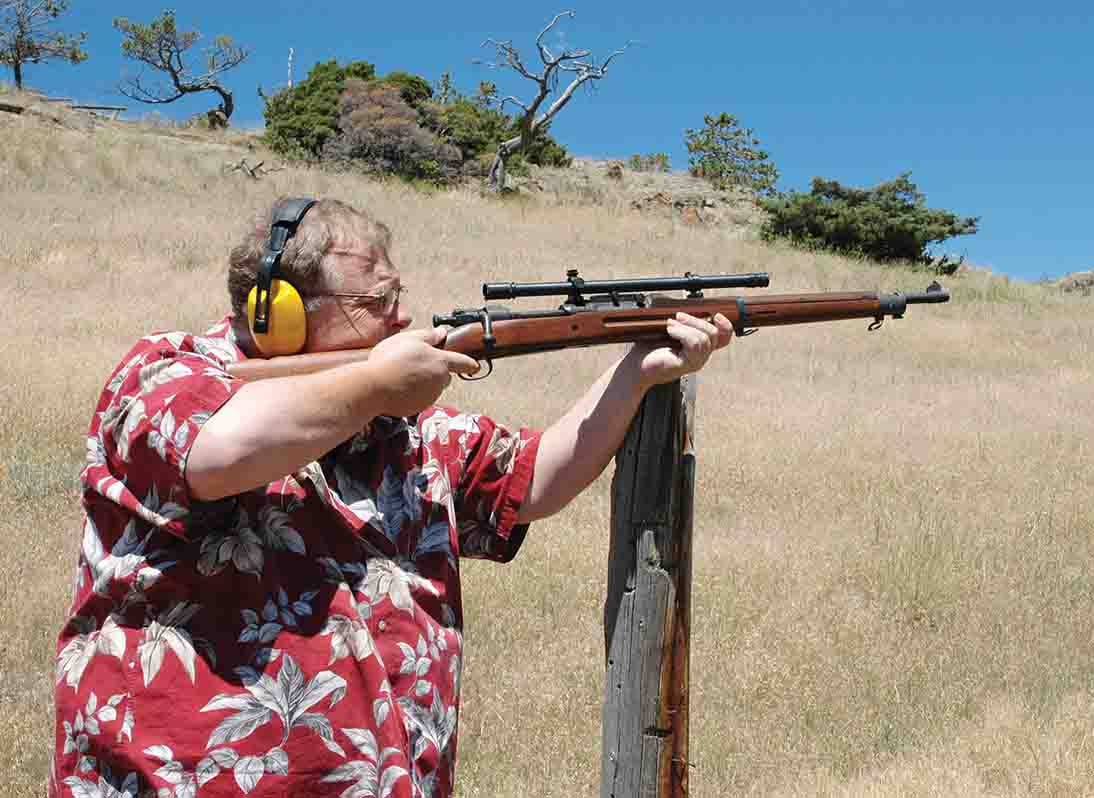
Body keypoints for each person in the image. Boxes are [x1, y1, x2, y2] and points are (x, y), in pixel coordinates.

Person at [51, 197, 733, 798]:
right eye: (376, 304)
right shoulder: (165, 376)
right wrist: (377, 384)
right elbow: (217, 454)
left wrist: (636, 372)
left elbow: (535, 479)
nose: (401, 317)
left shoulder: (400, 429)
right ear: (278, 316)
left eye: (396, 294)